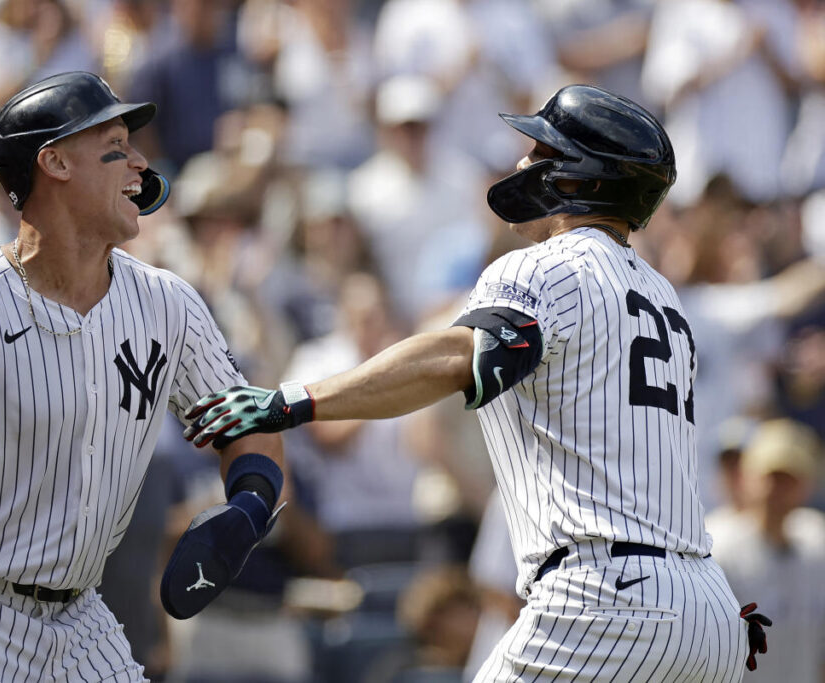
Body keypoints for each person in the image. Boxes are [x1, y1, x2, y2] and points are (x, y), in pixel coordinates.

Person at [184, 84, 771, 681]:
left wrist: (295, 400)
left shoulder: (546, 265)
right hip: (710, 610)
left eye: (541, 152)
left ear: (582, 179)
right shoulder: (662, 295)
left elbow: (454, 356)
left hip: (606, 601)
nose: (522, 165)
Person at [0, 71, 284, 682]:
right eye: (117, 147)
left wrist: (248, 509)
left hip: (76, 619)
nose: (141, 163)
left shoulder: (168, 304)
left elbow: (248, 424)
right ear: (55, 163)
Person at [706, 418, 825, 683]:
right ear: (748, 477)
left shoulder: (816, 544)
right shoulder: (718, 548)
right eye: (772, 476)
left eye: (789, 479)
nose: (778, 489)